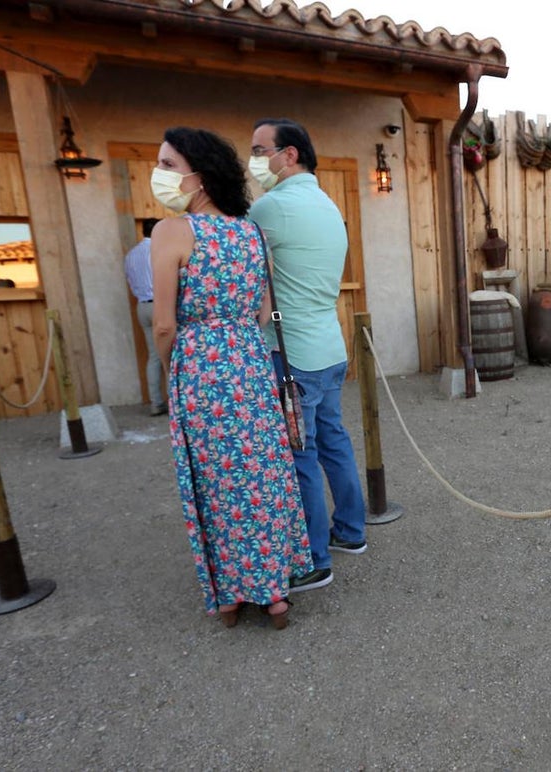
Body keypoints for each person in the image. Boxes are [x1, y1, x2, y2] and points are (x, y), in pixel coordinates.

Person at [150, 126, 312, 629]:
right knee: (261, 475)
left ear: (199, 177)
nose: (159, 175)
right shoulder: (250, 233)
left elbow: (163, 323)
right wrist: (234, 332)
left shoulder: (171, 232)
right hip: (250, 363)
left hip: (200, 367)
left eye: (168, 165)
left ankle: (230, 596)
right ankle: (275, 591)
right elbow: (264, 312)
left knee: (216, 481)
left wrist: (172, 364)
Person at [247, 117, 367, 594]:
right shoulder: (327, 203)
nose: (255, 160)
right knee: (333, 441)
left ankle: (315, 559)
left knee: (301, 454)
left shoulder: (270, 207)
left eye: (260, 150)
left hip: (291, 354)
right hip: (328, 346)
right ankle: (351, 532)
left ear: (289, 154)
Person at [123, 218, 166, 415]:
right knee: (172, 354)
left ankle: (156, 402)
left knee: (154, 357)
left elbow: (131, 283)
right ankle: (177, 403)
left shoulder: (131, 255)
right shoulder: (159, 251)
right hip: (161, 305)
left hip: (142, 306)